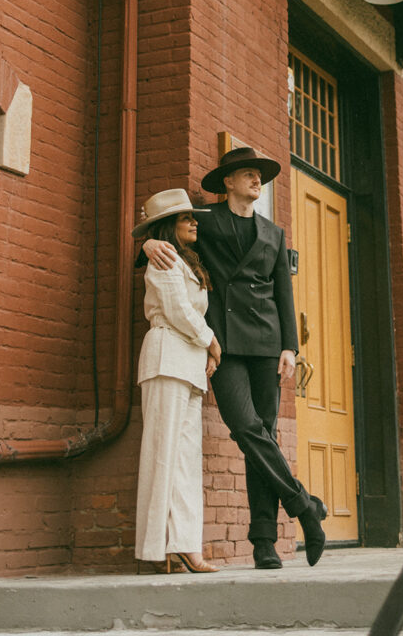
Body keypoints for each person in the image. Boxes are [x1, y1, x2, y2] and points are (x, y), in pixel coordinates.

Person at [142, 146, 327, 569]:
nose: (256, 181)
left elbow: (284, 293)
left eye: (259, 175)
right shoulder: (204, 220)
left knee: (264, 436)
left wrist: (289, 347)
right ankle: (304, 507)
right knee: (247, 430)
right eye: (247, 174)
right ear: (227, 182)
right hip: (223, 343)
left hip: (266, 345)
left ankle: (263, 542)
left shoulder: (274, 233)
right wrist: (151, 241)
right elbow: (165, 233)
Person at [133, 188, 222, 574]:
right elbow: (177, 309)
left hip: (187, 362)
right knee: (162, 453)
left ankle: (184, 545)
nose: (194, 222)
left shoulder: (186, 261)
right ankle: (157, 548)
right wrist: (211, 341)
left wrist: (204, 352)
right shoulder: (163, 257)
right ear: (170, 226)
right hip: (167, 354)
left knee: (185, 459)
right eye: (186, 218)